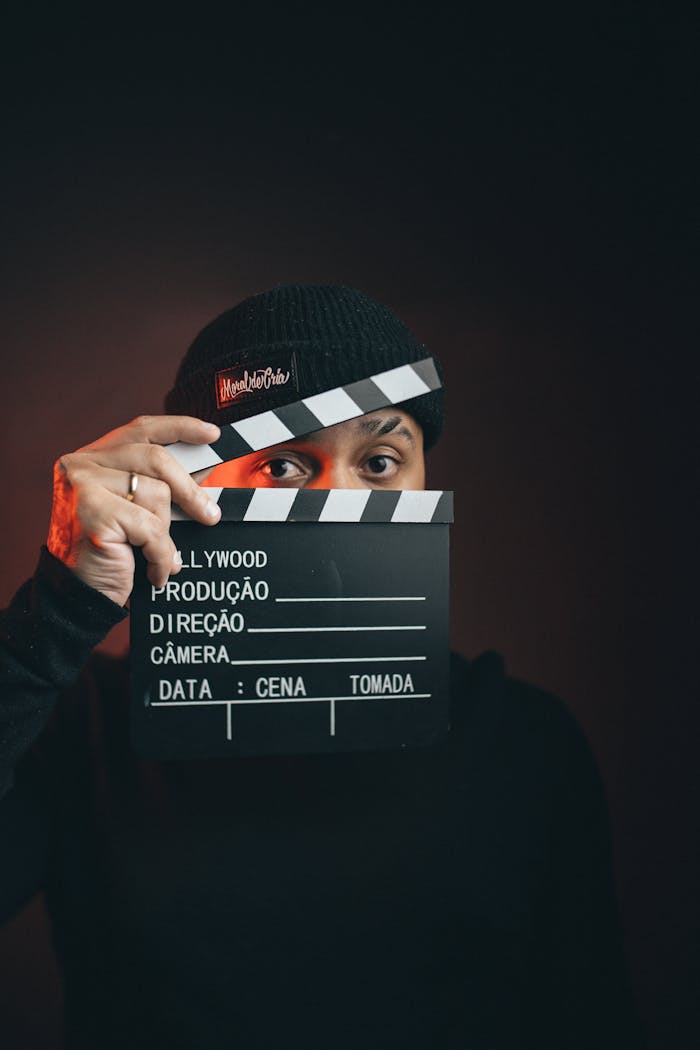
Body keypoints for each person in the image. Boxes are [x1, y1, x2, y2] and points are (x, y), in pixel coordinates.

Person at [0, 285, 643, 1048]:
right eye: (281, 466)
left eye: (380, 461)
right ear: (190, 485)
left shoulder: (525, 741)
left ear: (424, 482)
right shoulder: (79, 729)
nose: (339, 501)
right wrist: (56, 614)